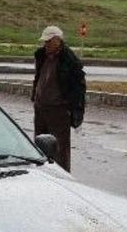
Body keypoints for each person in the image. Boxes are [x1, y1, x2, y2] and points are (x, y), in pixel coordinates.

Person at [31, 25, 86, 172]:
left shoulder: (69, 60)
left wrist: (75, 111)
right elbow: (38, 78)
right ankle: (42, 174)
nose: (46, 44)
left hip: (59, 111)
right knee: (40, 145)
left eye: (49, 41)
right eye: (45, 41)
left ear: (58, 40)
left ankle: (62, 176)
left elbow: (79, 88)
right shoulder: (41, 55)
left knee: (60, 149)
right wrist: (34, 97)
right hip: (41, 108)